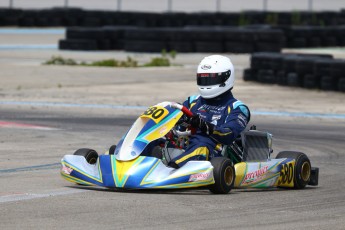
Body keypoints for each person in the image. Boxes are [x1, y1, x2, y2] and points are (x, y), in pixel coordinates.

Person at [169, 55, 250, 168]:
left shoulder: (238, 108)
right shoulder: (192, 101)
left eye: (211, 79)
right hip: (185, 145)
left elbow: (228, 134)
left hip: (215, 153)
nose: (206, 83)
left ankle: (171, 168)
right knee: (157, 140)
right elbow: (175, 121)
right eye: (203, 79)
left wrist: (203, 125)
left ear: (225, 78)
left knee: (201, 147)